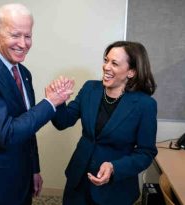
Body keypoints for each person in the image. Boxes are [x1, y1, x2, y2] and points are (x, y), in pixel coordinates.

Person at [0, 3, 71, 205]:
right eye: (15, 35)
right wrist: (50, 102)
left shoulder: (24, 74)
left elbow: (28, 127)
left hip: (20, 175)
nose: (23, 43)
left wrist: (34, 168)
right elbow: (7, 133)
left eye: (28, 36)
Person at [50, 41, 158, 205]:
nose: (106, 67)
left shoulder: (145, 105)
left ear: (131, 72)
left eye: (114, 63)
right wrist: (57, 101)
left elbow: (146, 153)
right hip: (78, 180)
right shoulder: (89, 89)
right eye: (106, 60)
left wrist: (114, 167)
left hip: (114, 190)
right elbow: (62, 122)